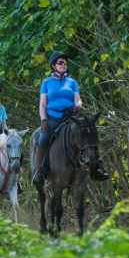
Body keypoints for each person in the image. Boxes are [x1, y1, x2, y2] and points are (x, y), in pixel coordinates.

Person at [32, 51, 109, 185]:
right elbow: (43, 103)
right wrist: (43, 119)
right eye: (60, 62)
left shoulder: (72, 82)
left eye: (65, 62)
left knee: (89, 134)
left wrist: (78, 106)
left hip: (71, 117)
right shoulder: (46, 83)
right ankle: (39, 170)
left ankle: (96, 167)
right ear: (53, 66)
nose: (63, 65)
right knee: (43, 138)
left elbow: (78, 100)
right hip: (53, 117)